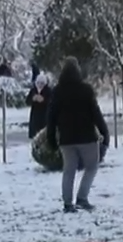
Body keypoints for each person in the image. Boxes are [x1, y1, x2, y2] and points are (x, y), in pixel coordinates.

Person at [46, 57, 110, 213]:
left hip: (66, 138)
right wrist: (104, 132)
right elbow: (95, 113)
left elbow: (51, 116)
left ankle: (68, 203)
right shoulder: (86, 90)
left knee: (69, 170)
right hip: (87, 137)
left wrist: (51, 138)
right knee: (92, 166)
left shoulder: (57, 91)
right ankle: (82, 197)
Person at [27, 72, 51, 139]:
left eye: (42, 83)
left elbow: (51, 101)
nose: (40, 85)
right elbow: (27, 101)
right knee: (35, 135)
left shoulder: (48, 90)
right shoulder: (33, 90)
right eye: (38, 83)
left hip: (44, 115)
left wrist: (44, 100)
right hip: (35, 115)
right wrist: (33, 99)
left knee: (43, 134)